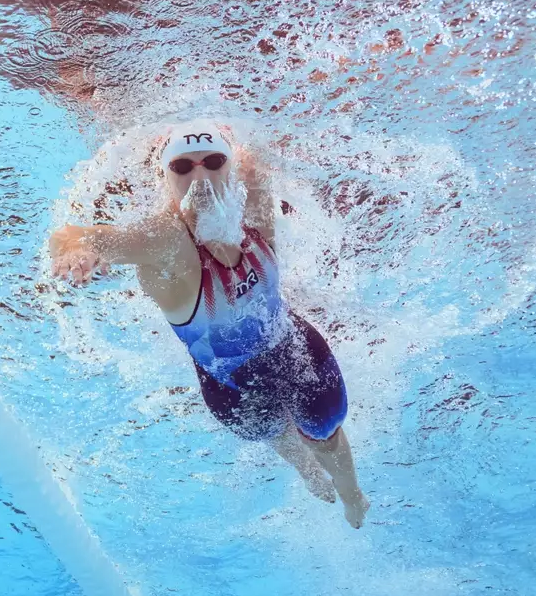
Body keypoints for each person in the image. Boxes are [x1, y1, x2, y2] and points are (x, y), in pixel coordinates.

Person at [48, 119, 371, 528]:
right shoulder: (166, 240)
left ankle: (353, 495)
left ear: (229, 166)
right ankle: (305, 470)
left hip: (292, 345)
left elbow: (255, 144)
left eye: (213, 162)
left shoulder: (250, 200)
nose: (200, 177)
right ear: (165, 177)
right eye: (183, 167)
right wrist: (76, 250)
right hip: (233, 385)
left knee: (325, 428)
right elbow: (78, 235)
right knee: (275, 432)